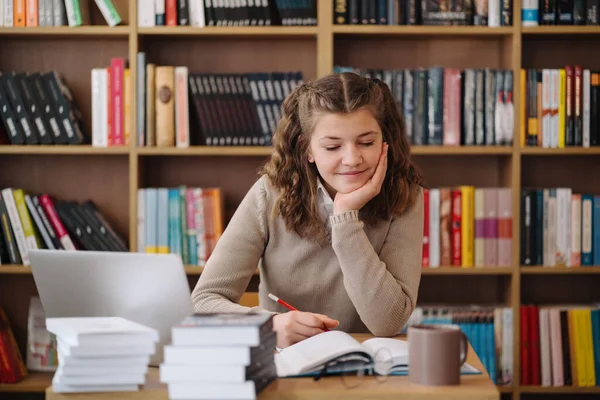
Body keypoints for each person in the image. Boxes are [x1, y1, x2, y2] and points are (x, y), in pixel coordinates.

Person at [191, 72, 424, 349]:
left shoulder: (404, 196)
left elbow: (388, 322)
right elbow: (204, 300)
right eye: (332, 146)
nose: (351, 159)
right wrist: (267, 326)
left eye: (366, 142)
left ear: (384, 141)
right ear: (308, 149)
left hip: (364, 369)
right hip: (285, 363)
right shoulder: (270, 193)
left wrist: (345, 218)